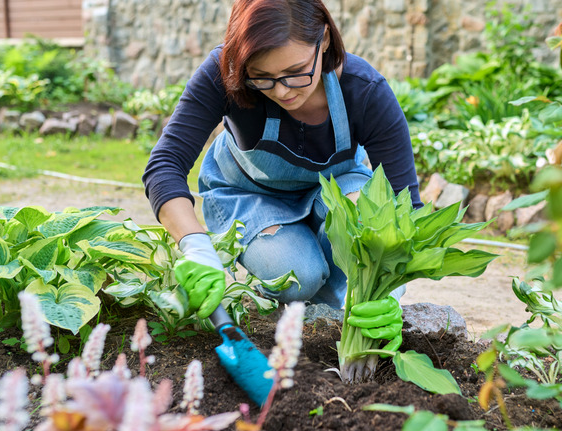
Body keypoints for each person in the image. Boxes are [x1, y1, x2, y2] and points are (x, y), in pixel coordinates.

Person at [142, 0, 422, 351]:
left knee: (361, 247)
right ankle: (300, 289)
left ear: (323, 39)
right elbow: (164, 164)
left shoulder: (363, 90)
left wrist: (388, 291)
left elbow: (403, 202)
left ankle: (336, 302)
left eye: (296, 71)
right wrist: (195, 247)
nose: (283, 91)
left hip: (337, 188)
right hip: (248, 193)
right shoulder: (222, 72)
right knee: (296, 277)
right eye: (262, 78)